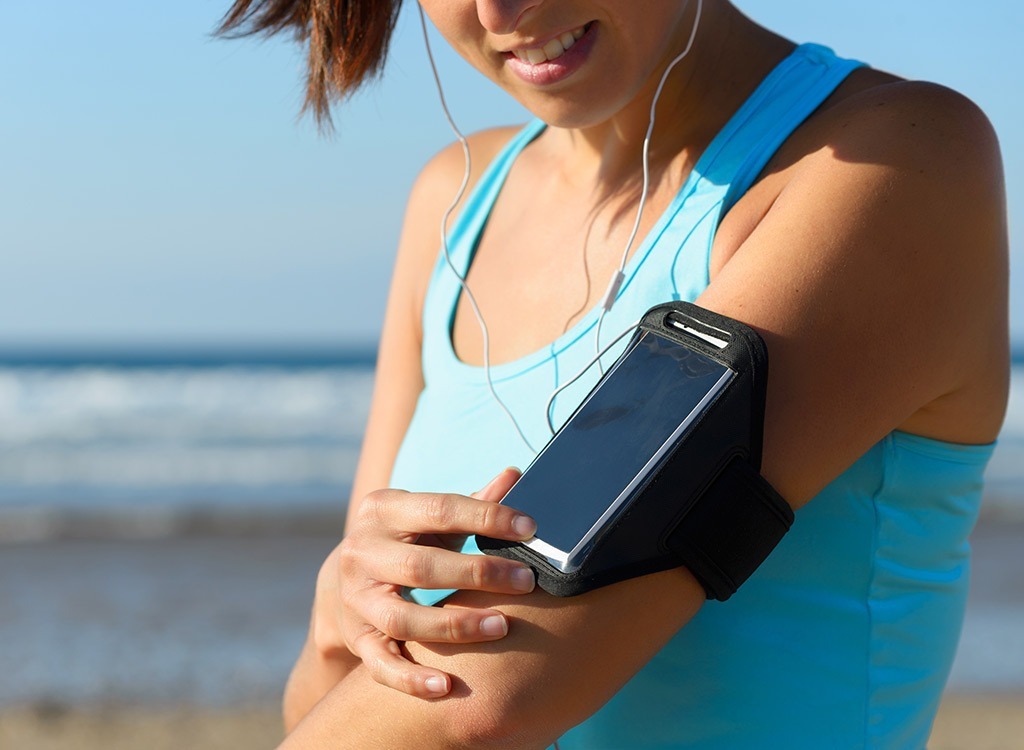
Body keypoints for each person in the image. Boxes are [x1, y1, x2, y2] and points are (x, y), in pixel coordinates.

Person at [219, 1, 1009, 747]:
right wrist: (338, 617)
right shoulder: (453, 205)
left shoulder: (897, 163)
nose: (497, 13)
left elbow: (479, 704)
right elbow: (336, 700)